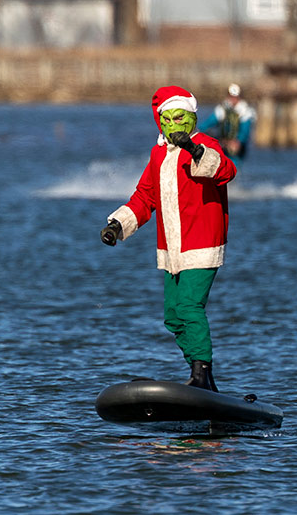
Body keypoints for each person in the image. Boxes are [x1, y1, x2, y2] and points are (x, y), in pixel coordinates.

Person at [100, 85, 237, 392]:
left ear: (192, 117)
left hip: (202, 244)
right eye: (169, 119)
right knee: (173, 317)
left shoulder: (205, 144)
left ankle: (203, 372)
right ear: (160, 122)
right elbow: (145, 196)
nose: (176, 124)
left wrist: (195, 150)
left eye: (181, 117)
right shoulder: (159, 153)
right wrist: (118, 225)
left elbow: (226, 170)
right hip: (171, 249)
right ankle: (200, 375)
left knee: (190, 307)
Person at [200, 83, 256, 160]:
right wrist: (198, 132)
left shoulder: (245, 112)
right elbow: (207, 124)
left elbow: (245, 132)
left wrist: (238, 141)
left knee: (233, 162)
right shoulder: (222, 109)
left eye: (235, 97)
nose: (233, 99)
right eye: (231, 96)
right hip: (223, 145)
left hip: (237, 150)